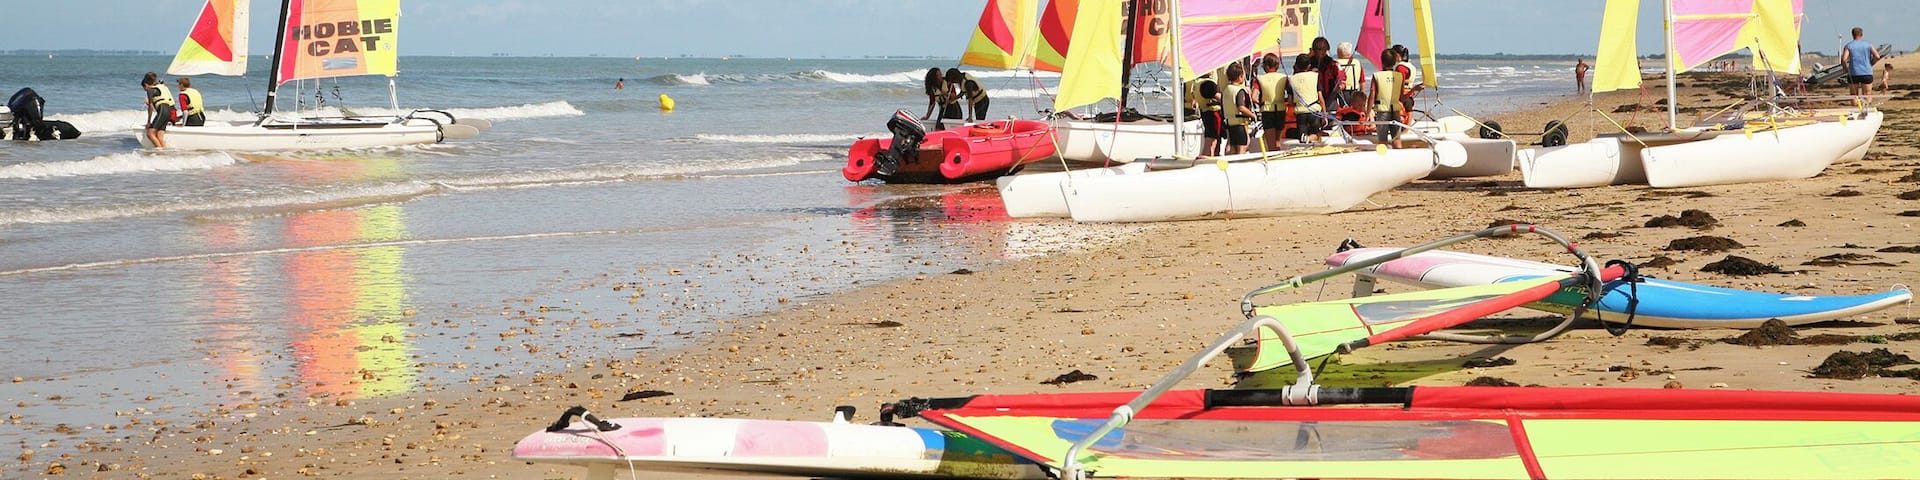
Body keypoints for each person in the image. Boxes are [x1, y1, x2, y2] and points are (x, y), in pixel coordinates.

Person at [1253, 54, 1289, 152]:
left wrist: (1261, 103)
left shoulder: (1260, 79)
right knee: (1277, 142)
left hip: (1267, 111)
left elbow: (1254, 97)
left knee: (1270, 143)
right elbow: (1290, 95)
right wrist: (1285, 101)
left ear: (1265, 66)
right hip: (1281, 110)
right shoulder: (1284, 77)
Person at [1373, 48, 1408, 148]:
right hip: (1395, 111)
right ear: (1394, 62)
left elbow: (1372, 95)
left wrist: (1367, 113)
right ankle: (1400, 157)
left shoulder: (1377, 76)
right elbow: (1402, 97)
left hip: (1383, 111)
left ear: (1382, 62)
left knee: (1382, 140)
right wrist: (1413, 90)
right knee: (1396, 139)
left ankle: (1383, 159)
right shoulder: (1400, 76)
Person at [1221, 63, 1256, 155]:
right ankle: (1240, 165)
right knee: (1242, 147)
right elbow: (1241, 107)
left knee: (1232, 147)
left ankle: (1229, 164)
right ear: (1240, 76)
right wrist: (1252, 115)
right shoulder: (1239, 91)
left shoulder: (1226, 90)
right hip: (1239, 124)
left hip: (1229, 123)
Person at [1290, 53, 1326, 143]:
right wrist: (1324, 114)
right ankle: (1309, 139)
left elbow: (1290, 101)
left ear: (1296, 66)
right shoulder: (1315, 76)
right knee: (1316, 133)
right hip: (1314, 110)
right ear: (1309, 66)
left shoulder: (1292, 79)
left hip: (1300, 112)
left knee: (1302, 135)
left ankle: (1305, 139)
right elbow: (1320, 98)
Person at [1840, 27, 1882, 97]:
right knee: (1867, 94)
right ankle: (1866, 107)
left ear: (1852, 35)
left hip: (1853, 73)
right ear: (1862, 34)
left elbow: (1844, 59)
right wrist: (1871, 63)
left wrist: (1846, 69)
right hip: (1867, 72)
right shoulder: (1868, 44)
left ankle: (1855, 107)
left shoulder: (1849, 46)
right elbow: (1877, 56)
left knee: (1854, 95)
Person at [1306, 37, 1341, 110]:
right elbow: (1298, 73)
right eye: (1319, 49)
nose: (1322, 51)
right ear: (1314, 50)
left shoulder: (1332, 64)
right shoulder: (1307, 63)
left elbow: (1341, 75)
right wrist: (1308, 57)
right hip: (1313, 98)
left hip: (1329, 97)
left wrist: (1341, 84)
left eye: (1325, 49)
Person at [142, 72, 174, 148]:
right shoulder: (162, 87)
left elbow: (151, 107)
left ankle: (160, 152)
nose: (145, 90)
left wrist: (149, 122)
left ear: (146, 84)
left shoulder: (150, 90)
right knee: (159, 136)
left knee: (150, 133)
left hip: (163, 110)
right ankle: (165, 152)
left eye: (144, 88)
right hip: (168, 111)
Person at [1196, 73, 1223, 157]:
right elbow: (1220, 98)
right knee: (1212, 140)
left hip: (1205, 113)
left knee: (1210, 139)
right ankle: (1208, 158)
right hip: (1213, 114)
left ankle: (1212, 156)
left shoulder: (1197, 83)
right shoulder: (1207, 84)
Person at [1335, 41, 1367, 110]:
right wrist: (1362, 96)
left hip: (1342, 93)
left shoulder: (1336, 63)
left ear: (1340, 52)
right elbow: (1362, 81)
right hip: (1355, 92)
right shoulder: (1357, 62)